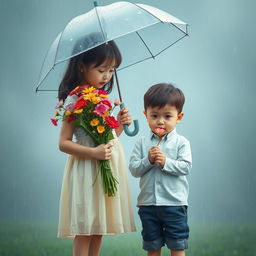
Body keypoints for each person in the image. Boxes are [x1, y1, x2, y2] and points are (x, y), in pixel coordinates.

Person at [57, 39, 136, 256]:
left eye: (111, 70)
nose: (107, 76)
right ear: (82, 66)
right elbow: (63, 143)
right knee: (85, 228)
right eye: (101, 70)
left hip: (104, 169)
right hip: (86, 171)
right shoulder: (75, 100)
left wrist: (119, 124)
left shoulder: (102, 98)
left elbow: (108, 138)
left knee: (98, 228)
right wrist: (93, 153)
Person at [129, 83, 192, 256]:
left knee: (177, 244)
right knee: (152, 245)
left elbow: (186, 167)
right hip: (148, 204)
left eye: (167, 116)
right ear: (145, 114)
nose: (160, 121)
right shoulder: (141, 143)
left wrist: (165, 162)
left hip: (174, 204)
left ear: (179, 117)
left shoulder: (182, 142)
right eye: (154, 115)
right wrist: (148, 160)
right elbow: (134, 169)